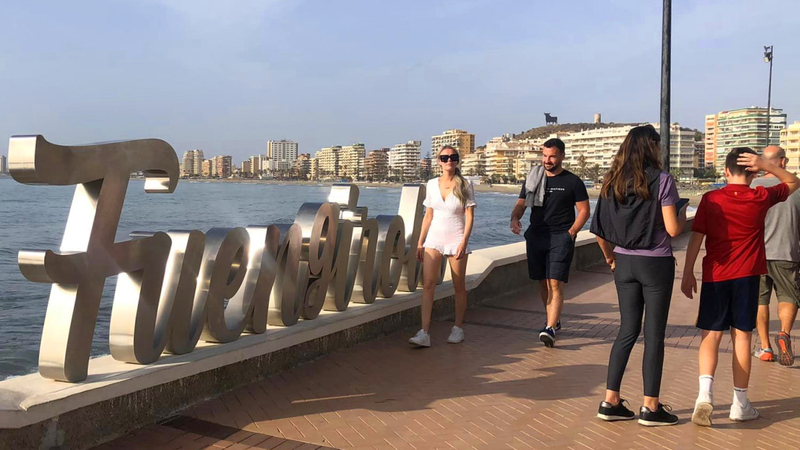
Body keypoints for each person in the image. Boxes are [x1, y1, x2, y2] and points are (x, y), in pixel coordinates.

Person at [681, 148, 800, 427]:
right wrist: (765, 165)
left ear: (725, 171)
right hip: (747, 276)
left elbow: (696, 239)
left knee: (711, 335)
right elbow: (793, 181)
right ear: (753, 173)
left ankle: (704, 395)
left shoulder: (711, 199)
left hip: (715, 276)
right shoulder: (760, 196)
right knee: (742, 338)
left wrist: (688, 273)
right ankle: (740, 403)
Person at [592, 125, 686, 426]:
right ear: (651, 147)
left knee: (626, 331)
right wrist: (682, 212)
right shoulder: (662, 180)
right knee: (654, 335)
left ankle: (610, 401)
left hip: (624, 262)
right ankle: (650, 407)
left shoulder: (612, 181)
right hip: (655, 263)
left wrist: (610, 257)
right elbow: (673, 230)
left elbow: (599, 230)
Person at [510, 138, 590, 347]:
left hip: (560, 237)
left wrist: (571, 232)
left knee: (555, 282)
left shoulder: (573, 181)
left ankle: (550, 327)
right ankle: (553, 318)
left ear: (562, 155)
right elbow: (521, 203)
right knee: (542, 281)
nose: (547, 160)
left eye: (552, 156)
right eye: (545, 156)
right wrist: (515, 218)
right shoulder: (533, 178)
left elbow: (584, 211)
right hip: (536, 236)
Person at [409, 146, 476, 347]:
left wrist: (464, 242)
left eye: (453, 157)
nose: (449, 160)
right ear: (439, 161)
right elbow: (428, 216)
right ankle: (424, 332)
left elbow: (469, 216)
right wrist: (420, 242)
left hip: (456, 238)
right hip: (434, 239)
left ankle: (457, 328)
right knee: (428, 284)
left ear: (457, 160)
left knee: (458, 285)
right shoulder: (431, 184)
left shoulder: (465, 183)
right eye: (445, 157)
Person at [750, 146, 799, 366]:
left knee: (760, 300)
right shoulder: (795, 187)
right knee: (788, 296)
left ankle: (766, 348)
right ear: (783, 162)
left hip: (756, 254)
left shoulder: (752, 186)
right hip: (787, 251)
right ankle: (784, 333)